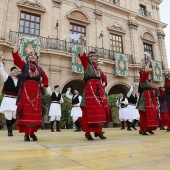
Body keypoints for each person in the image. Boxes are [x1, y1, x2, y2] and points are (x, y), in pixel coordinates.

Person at [12, 37, 49, 141]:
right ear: (27, 58)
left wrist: (42, 85)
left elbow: (46, 79)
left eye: (35, 55)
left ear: (37, 58)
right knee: (26, 112)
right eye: (31, 55)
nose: (33, 56)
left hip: (36, 93)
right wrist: (17, 42)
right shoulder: (24, 66)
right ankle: (26, 134)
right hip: (26, 92)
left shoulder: (40, 69)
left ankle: (32, 133)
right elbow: (15, 57)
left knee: (35, 113)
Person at [78, 35, 112, 140]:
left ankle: (99, 131)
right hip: (90, 90)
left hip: (99, 91)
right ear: (89, 57)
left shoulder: (99, 70)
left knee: (101, 110)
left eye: (96, 56)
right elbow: (81, 55)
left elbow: (105, 79)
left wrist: (104, 84)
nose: (95, 57)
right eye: (93, 56)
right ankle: (88, 133)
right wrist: (83, 43)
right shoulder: (86, 65)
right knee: (89, 111)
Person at [137, 57, 159, 135]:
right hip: (145, 97)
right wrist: (149, 62)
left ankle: (149, 128)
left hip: (150, 96)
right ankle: (142, 129)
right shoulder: (142, 78)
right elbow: (146, 71)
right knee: (144, 114)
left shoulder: (148, 80)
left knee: (151, 113)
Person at [0, 53, 21, 136]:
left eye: (16, 70)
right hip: (8, 99)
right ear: (11, 72)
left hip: (15, 100)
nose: (16, 71)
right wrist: (0, 61)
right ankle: (10, 131)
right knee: (8, 115)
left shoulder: (19, 81)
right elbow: (1, 70)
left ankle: (9, 126)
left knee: (15, 116)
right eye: (14, 70)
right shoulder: (6, 77)